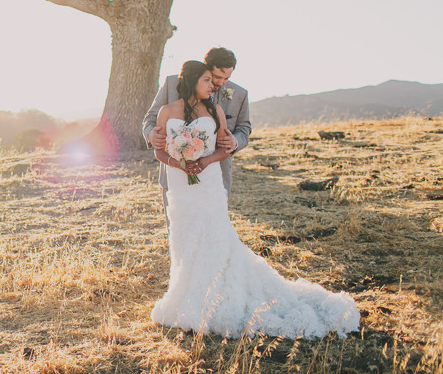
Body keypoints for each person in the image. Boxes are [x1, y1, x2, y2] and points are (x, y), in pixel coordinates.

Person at [149, 60, 359, 339]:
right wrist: (179, 163)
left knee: (213, 233)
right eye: (207, 81)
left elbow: (225, 146)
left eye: (214, 81)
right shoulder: (167, 111)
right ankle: (183, 293)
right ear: (191, 81)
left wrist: (205, 161)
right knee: (184, 235)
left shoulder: (214, 110)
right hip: (179, 183)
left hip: (207, 180)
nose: (212, 86)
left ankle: (214, 293)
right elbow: (159, 150)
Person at [143, 48, 251, 219]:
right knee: (178, 224)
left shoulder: (240, 94)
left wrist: (235, 142)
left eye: (227, 78)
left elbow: (244, 128)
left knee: (213, 223)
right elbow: (151, 118)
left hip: (214, 171)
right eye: (217, 77)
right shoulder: (172, 83)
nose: (221, 83)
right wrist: (151, 134)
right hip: (176, 172)